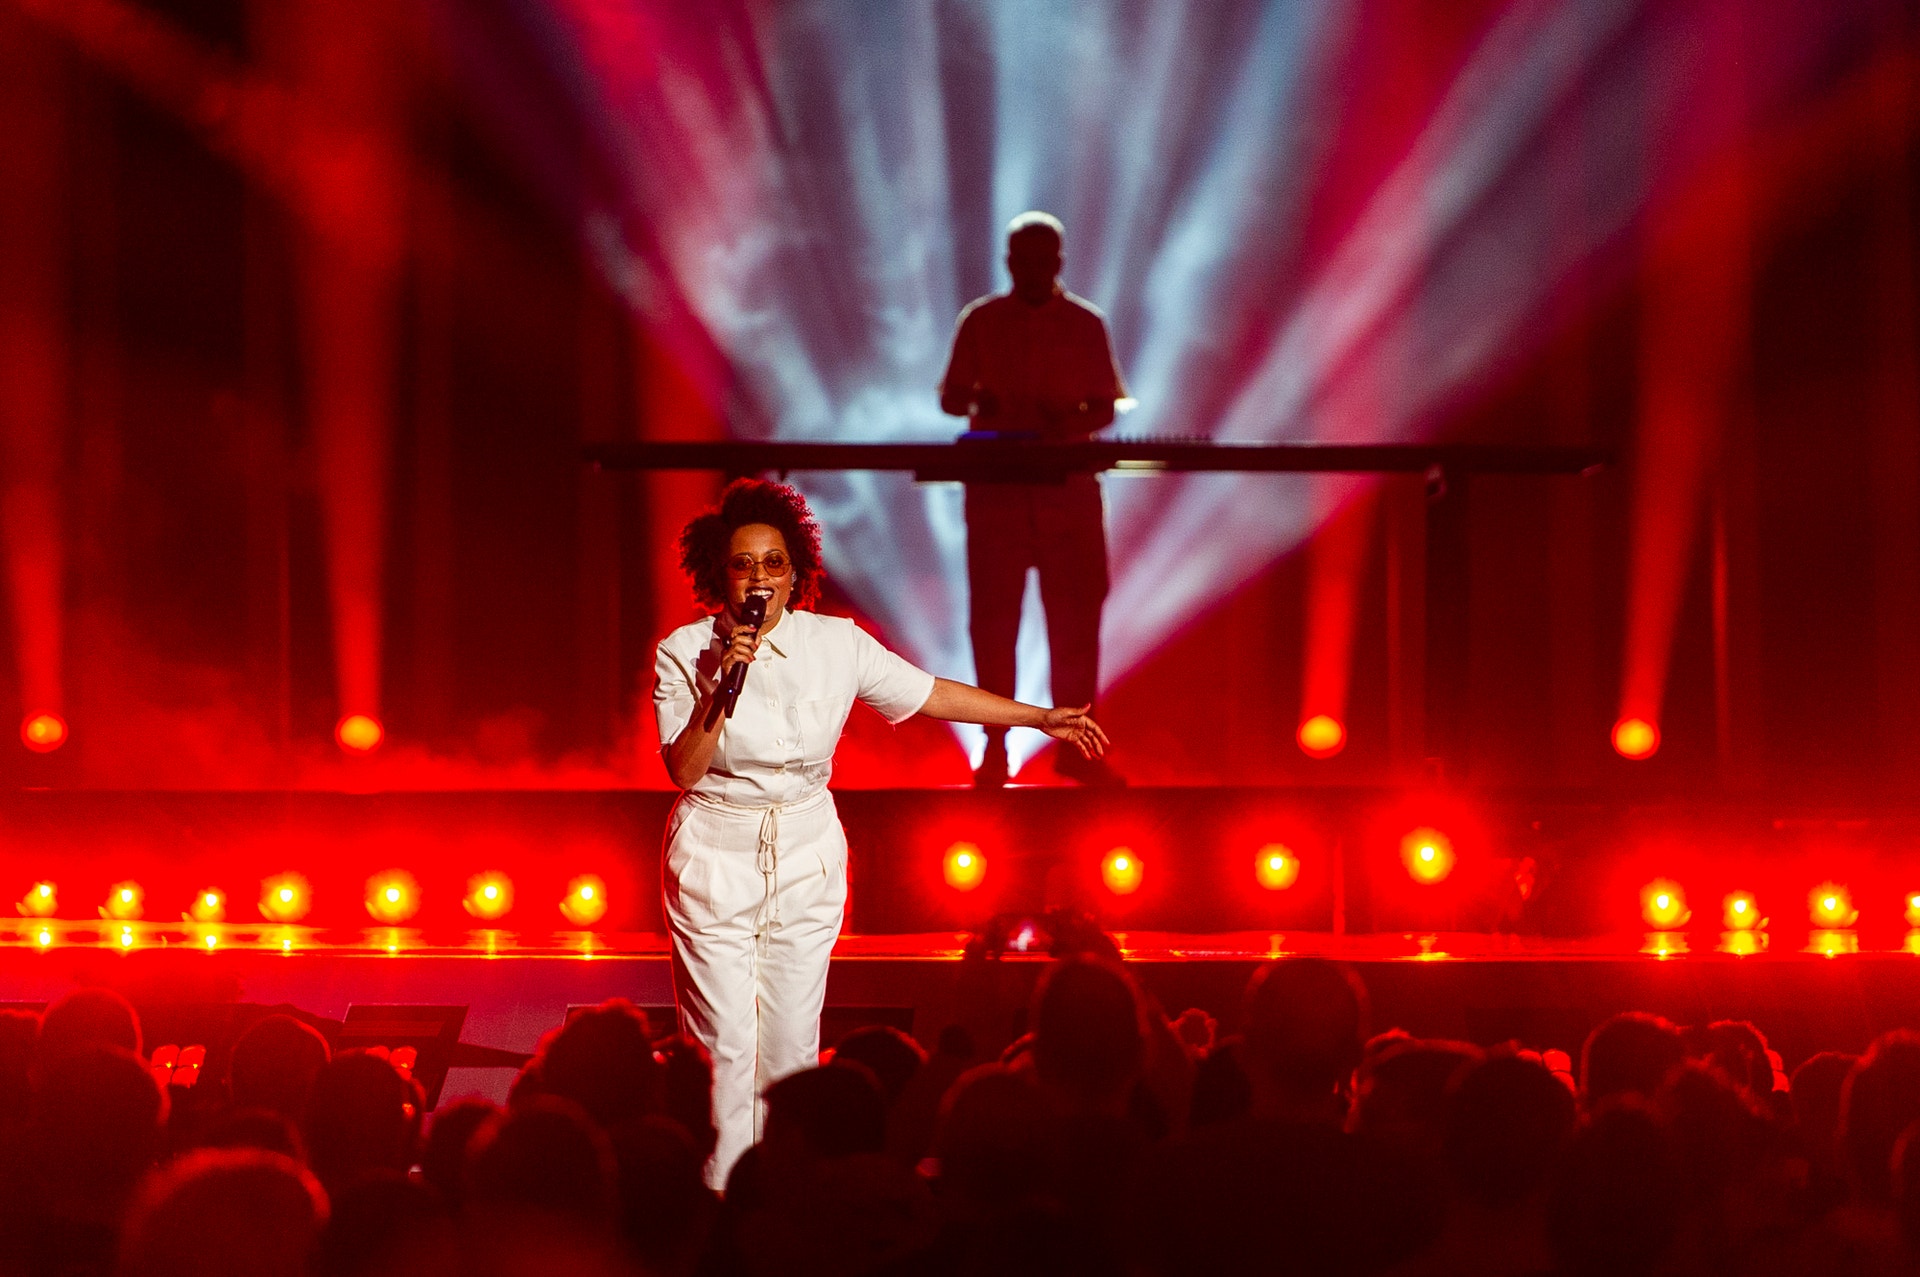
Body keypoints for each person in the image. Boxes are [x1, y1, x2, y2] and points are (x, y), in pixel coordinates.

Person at [654, 478, 1108, 1188]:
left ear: (796, 571)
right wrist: (722, 682)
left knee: (791, 1048)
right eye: (744, 564)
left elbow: (931, 693)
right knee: (724, 1047)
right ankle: (722, 1206)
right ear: (720, 572)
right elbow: (684, 767)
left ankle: (791, 1197)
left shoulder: (836, 643)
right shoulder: (684, 653)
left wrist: (1036, 717)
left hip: (806, 848)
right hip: (717, 847)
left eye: (774, 563)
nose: (759, 578)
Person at [940, 210, 1129, 788]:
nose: (1030, 270)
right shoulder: (983, 320)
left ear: (1056, 263)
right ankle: (995, 745)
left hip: (1063, 495)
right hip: (1002, 496)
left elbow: (1103, 406)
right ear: (1011, 262)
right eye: (1023, 260)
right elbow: (951, 398)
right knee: (994, 623)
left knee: (1071, 623)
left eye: (1038, 261)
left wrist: (1066, 420)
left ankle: (1071, 747)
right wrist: (987, 403)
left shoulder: (1084, 324)